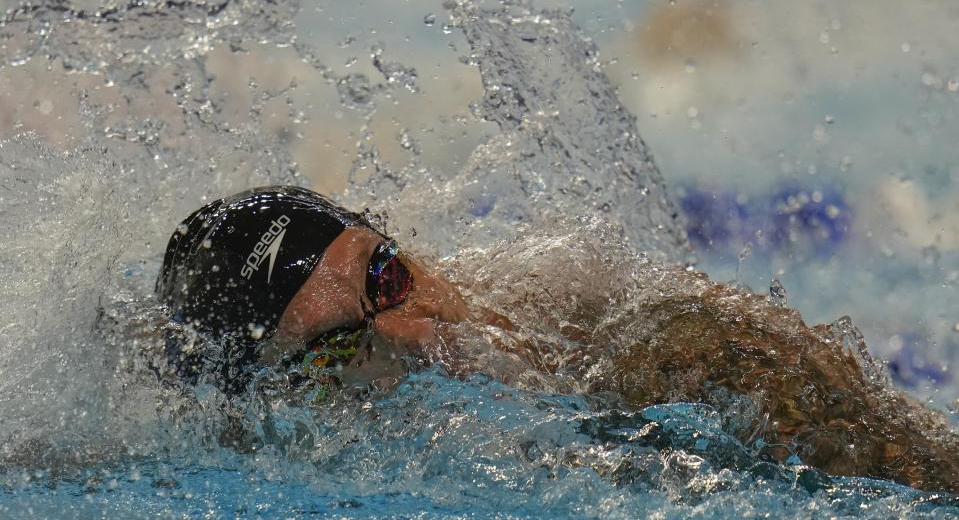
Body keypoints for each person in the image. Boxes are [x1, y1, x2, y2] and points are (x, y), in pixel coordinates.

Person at [157, 185, 959, 493]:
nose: (413, 335)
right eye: (335, 347)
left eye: (387, 278)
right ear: (281, 393)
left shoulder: (630, 330)